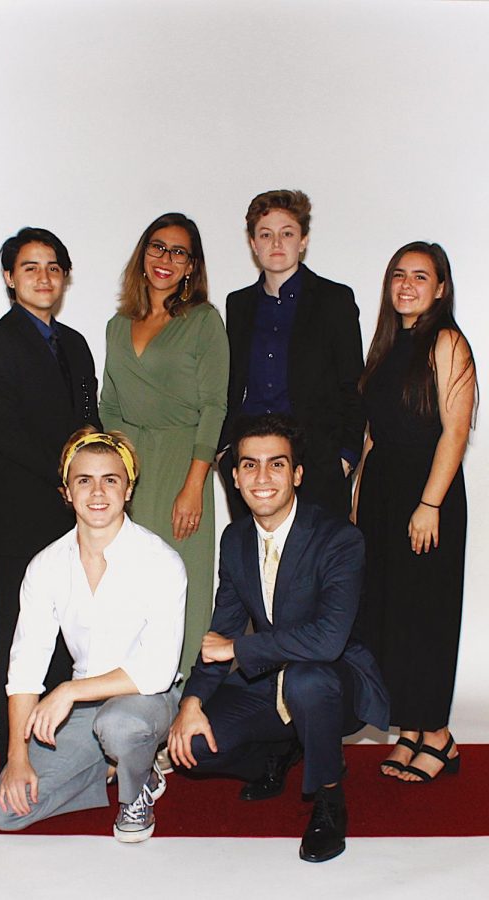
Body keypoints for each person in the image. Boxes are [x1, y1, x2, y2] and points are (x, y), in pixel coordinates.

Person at [168, 414, 389, 863]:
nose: (262, 477)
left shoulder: (339, 540)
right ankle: (282, 749)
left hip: (334, 681)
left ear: (297, 474)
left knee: (309, 681)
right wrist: (190, 703)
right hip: (270, 680)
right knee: (191, 746)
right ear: (234, 476)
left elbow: (328, 642)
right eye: (249, 465)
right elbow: (221, 632)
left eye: (276, 464)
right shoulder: (234, 540)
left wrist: (239, 650)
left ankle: (329, 798)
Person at [0, 427, 186, 843]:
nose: (98, 492)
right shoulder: (46, 565)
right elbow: (25, 665)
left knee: (121, 724)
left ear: (128, 489)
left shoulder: (161, 561)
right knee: (5, 813)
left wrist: (67, 693)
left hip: (145, 700)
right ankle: (120, 764)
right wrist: (17, 755)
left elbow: (155, 672)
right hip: (85, 706)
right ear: (66, 491)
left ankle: (136, 789)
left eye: (110, 479)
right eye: (84, 480)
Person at [0, 227, 101, 771]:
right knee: (20, 630)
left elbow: (89, 420)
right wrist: (65, 477)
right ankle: (14, 746)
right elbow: (5, 430)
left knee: (71, 629)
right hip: (21, 514)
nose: (44, 277)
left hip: (77, 514)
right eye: (31, 267)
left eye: (53, 267)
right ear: (10, 278)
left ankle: (64, 743)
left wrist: (97, 476)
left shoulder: (74, 342)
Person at [352, 242, 476, 782]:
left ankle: (439, 736)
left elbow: (455, 429)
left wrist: (430, 503)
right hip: (381, 493)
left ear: (440, 288)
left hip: (428, 493)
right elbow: (373, 433)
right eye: (398, 275)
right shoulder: (386, 345)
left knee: (426, 614)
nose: (406, 285)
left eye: (420, 277)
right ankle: (409, 729)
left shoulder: (447, 342)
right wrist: (358, 495)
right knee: (391, 614)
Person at [100, 212, 228, 678]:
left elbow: (215, 406)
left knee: (183, 584)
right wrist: (119, 469)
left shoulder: (204, 321)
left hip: (182, 464)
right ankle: (129, 703)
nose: (166, 259)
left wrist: (194, 484)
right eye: (158, 247)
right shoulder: (118, 324)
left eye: (179, 252)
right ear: (143, 253)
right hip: (130, 469)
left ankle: (182, 711)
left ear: (191, 265)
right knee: (127, 583)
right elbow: (108, 404)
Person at [218, 190, 365, 521]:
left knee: (315, 566)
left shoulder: (334, 300)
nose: (276, 244)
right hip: (250, 461)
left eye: (287, 233)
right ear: (253, 243)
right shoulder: (238, 305)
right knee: (253, 564)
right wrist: (224, 451)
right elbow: (229, 382)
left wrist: (345, 457)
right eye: (265, 235)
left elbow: (353, 383)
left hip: (316, 460)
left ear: (303, 240)